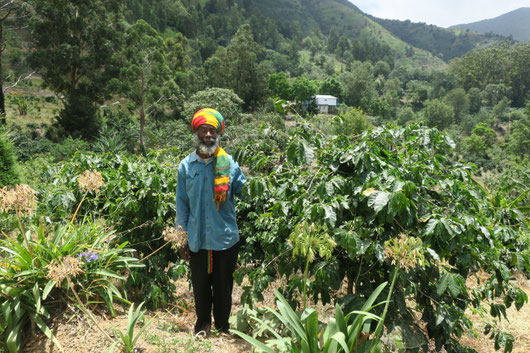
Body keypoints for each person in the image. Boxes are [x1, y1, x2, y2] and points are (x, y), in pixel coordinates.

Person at [176, 108, 246, 334]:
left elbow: (243, 192)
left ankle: (223, 327)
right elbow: (182, 205)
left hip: (224, 237)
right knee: (200, 287)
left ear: (218, 135)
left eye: (212, 131)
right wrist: (181, 239)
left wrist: (243, 180)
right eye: (203, 130)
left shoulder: (229, 163)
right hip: (197, 238)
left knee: (224, 287)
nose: (208, 135)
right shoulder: (186, 166)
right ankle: (202, 325)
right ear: (196, 133)